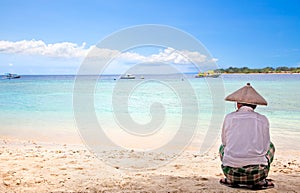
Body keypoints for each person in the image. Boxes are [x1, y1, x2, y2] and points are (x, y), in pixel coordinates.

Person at [219, 83, 275, 189]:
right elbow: (266, 147)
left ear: (238, 104)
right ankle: (260, 181)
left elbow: (225, 142)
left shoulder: (229, 117)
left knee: (222, 147)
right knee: (271, 147)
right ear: (255, 105)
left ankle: (230, 180)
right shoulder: (263, 119)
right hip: (257, 174)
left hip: (230, 172)